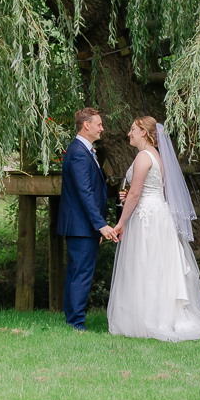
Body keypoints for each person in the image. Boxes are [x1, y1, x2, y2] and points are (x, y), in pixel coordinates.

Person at [107, 116, 200, 341]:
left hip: (147, 217)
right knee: (159, 266)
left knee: (145, 264)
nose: (129, 133)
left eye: (132, 129)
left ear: (145, 133)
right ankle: (162, 314)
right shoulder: (157, 156)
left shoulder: (142, 157)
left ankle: (148, 318)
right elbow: (145, 190)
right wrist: (127, 196)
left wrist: (120, 223)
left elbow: (137, 193)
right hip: (159, 215)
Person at [57, 107, 119, 331]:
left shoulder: (84, 151)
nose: (102, 128)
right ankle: (76, 323)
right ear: (87, 125)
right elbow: (85, 193)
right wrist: (100, 225)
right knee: (81, 274)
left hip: (84, 226)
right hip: (81, 226)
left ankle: (73, 320)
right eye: (99, 124)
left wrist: (96, 227)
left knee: (78, 273)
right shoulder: (78, 153)